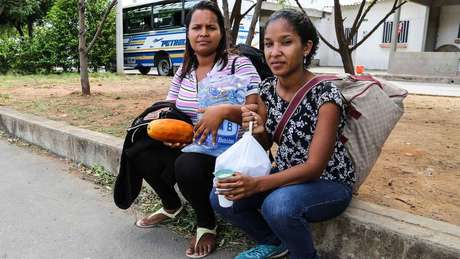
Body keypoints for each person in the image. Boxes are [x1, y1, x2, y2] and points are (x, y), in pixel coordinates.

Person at [211, 9, 356, 259]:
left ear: (306, 47)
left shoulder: (326, 96)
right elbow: (267, 142)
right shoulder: (267, 89)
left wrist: (256, 184)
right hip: (287, 174)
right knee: (221, 194)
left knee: (277, 206)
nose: (274, 52)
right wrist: (257, 132)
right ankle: (274, 241)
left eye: (286, 42)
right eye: (268, 44)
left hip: (328, 182)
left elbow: (314, 167)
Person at [132, 1, 261, 258]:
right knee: (139, 149)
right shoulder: (184, 70)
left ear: (221, 33)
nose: (203, 33)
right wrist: (169, 131)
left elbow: (255, 116)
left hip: (228, 152)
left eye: (210, 27)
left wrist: (224, 111)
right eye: (197, 27)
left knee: (187, 165)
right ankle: (172, 205)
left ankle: (206, 222)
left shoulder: (239, 65)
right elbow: (171, 108)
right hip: (191, 143)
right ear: (188, 33)